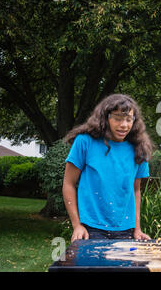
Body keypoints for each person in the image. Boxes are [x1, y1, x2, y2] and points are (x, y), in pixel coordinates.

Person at [62, 94, 153, 242]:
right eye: (118, 118)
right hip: (90, 229)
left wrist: (137, 229)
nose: (124, 125)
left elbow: (136, 190)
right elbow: (68, 184)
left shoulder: (139, 148)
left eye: (129, 119)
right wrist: (77, 225)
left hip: (126, 231)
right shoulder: (85, 142)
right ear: (105, 118)